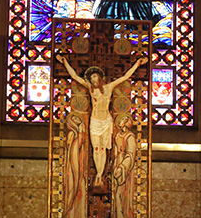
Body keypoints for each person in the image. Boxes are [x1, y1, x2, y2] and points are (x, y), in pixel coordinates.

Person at [55, 54, 147, 187]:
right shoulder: (90, 89)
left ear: (99, 77)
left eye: (95, 76)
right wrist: (64, 62)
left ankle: (99, 175)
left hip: (106, 121)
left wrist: (137, 64)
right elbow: (75, 76)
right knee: (96, 148)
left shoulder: (109, 87)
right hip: (95, 121)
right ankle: (99, 173)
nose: (93, 79)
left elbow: (125, 77)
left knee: (103, 149)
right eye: (91, 77)